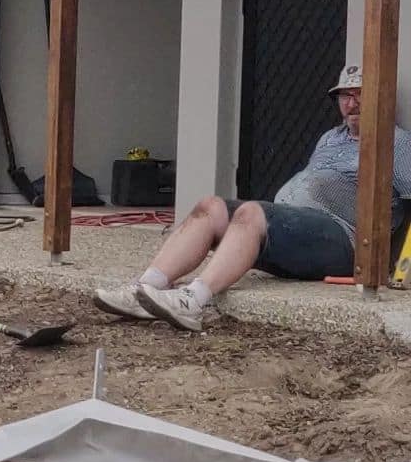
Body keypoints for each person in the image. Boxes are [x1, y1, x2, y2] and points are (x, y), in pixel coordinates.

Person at [94, 65, 411, 332]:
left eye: (359, 94)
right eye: (345, 95)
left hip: (343, 240)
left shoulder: (395, 143)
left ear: (382, 98)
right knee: (211, 207)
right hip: (296, 229)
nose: (351, 103)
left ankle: (193, 301)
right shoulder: (331, 137)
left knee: (251, 214)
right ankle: (146, 288)